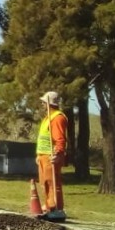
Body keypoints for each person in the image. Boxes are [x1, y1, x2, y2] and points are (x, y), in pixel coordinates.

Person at [36, 91, 68, 221]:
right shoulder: (48, 118)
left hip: (51, 156)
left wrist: (58, 153)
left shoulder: (57, 118)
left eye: (44, 102)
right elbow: (43, 138)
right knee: (45, 183)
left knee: (52, 183)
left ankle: (56, 209)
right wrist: (38, 154)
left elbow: (60, 138)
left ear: (49, 103)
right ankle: (49, 206)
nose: (42, 104)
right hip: (43, 156)